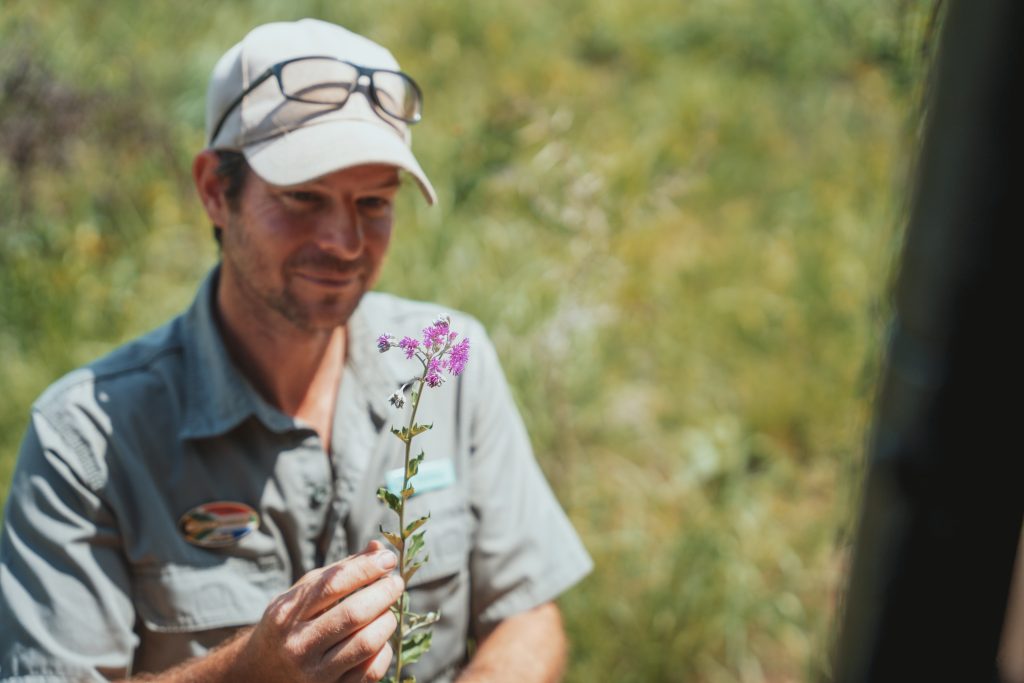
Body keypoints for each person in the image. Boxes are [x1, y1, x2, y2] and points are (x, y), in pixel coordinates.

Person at [0, 18, 592, 683]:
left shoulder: (451, 362)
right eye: (302, 198)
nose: (344, 240)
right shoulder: (85, 439)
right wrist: (246, 672)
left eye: (373, 202)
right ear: (215, 192)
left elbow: (529, 614)